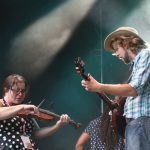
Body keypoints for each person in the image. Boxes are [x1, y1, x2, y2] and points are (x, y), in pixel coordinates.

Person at [80, 27, 150, 150]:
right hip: (136, 124)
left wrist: (99, 86)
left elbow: (133, 89)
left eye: (117, 49)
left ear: (126, 43)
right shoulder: (135, 66)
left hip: (141, 122)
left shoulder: (145, 55)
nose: (116, 54)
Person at [0, 74, 70, 150]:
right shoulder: (3, 104)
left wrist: (57, 126)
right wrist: (22, 106)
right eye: (16, 90)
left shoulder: (25, 111)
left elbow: (36, 134)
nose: (20, 94)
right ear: (6, 89)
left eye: (23, 91)